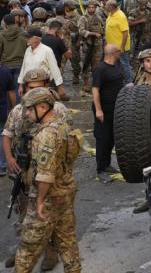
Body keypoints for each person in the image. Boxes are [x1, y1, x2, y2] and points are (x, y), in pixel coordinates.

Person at [2, 69, 66, 270]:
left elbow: (64, 142)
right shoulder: (18, 111)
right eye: (30, 88)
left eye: (38, 87)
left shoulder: (58, 110)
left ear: (47, 86)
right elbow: (7, 134)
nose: (33, 91)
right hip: (23, 169)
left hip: (46, 169)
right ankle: (25, 249)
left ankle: (50, 252)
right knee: (23, 211)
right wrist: (10, 158)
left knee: (47, 211)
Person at [14, 87, 82, 273]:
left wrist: (40, 201)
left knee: (28, 248)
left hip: (49, 196)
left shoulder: (46, 136)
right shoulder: (63, 126)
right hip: (66, 192)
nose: (27, 113)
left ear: (43, 107)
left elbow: (45, 175)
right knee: (68, 242)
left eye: (29, 109)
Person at [91, 44, 124, 184]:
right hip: (103, 110)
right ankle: (101, 170)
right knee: (102, 139)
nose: (120, 52)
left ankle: (107, 164)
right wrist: (98, 110)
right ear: (113, 53)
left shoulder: (117, 65)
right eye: (118, 51)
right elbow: (95, 90)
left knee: (112, 138)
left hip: (116, 109)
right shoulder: (100, 69)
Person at [17, 28, 66, 101]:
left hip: (43, 85)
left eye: (29, 37)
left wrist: (60, 86)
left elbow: (54, 68)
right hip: (29, 85)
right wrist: (21, 85)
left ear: (37, 39)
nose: (26, 39)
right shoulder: (28, 50)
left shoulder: (47, 50)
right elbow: (24, 67)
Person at [78, 0, 105, 93]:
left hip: (98, 45)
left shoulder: (98, 17)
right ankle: (86, 83)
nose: (91, 9)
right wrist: (93, 33)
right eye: (89, 7)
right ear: (87, 8)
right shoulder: (83, 18)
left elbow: (103, 29)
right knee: (86, 64)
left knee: (97, 65)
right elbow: (81, 31)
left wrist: (101, 34)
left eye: (93, 7)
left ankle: (96, 83)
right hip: (87, 45)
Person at [105, 0, 132, 84]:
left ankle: (128, 82)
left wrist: (122, 47)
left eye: (106, 5)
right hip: (112, 47)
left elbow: (125, 33)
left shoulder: (120, 16)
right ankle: (120, 81)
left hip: (120, 47)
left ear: (112, 6)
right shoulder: (111, 14)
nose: (105, 6)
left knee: (124, 64)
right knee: (117, 65)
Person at [0, 14, 27, 95]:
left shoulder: (2, 35)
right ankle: (18, 107)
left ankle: (9, 106)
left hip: (6, 65)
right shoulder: (23, 33)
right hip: (20, 64)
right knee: (19, 89)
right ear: (15, 21)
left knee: (7, 89)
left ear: (5, 23)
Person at [128, 0, 151, 67]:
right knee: (132, 51)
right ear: (139, 3)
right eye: (142, 3)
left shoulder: (148, 12)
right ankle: (132, 66)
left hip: (145, 35)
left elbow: (150, 22)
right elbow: (129, 23)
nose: (144, 5)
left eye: (145, 3)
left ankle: (142, 64)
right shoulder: (133, 12)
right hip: (135, 35)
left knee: (144, 50)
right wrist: (140, 21)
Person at [0, 63, 16, 175]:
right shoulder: (5, 71)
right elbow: (11, 93)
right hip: (2, 109)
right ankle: (1, 165)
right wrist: (14, 108)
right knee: (2, 135)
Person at [62, 0, 82, 85]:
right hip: (63, 42)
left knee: (75, 61)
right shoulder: (62, 14)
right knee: (61, 62)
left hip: (73, 42)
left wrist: (78, 41)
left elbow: (81, 30)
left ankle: (76, 76)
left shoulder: (77, 16)